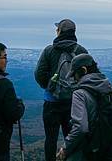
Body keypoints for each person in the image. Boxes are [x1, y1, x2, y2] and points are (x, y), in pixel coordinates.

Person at [56, 53, 112, 161]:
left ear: (83, 70)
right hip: (111, 149)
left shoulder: (80, 93)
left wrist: (65, 148)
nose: (74, 79)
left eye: (74, 75)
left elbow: (81, 128)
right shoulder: (110, 88)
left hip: (90, 150)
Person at [35, 19, 88, 161]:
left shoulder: (49, 50)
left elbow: (39, 74)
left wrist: (50, 87)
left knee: (50, 139)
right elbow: (88, 76)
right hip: (74, 103)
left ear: (60, 32)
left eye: (57, 29)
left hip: (51, 102)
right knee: (71, 139)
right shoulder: (81, 51)